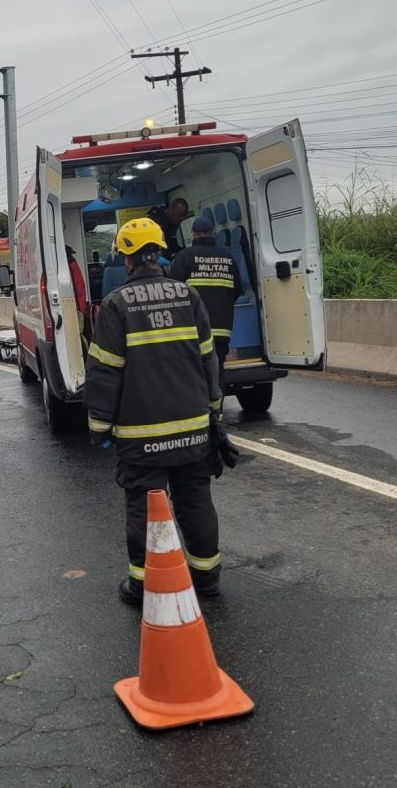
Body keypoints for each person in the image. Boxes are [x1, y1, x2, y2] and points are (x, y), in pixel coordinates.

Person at [83, 216, 228, 605]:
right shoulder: (189, 297)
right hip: (194, 428)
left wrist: (99, 427)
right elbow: (208, 360)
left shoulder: (115, 306)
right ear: (161, 253)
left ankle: (144, 584)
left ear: (125, 259)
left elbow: (104, 372)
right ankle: (207, 581)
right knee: (196, 500)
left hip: (140, 435)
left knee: (145, 506)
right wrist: (214, 410)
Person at [169, 215, 242, 378]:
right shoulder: (228, 259)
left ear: (194, 234)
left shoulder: (184, 257)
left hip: (193, 330)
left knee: (195, 372)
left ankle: (202, 403)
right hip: (221, 330)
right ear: (213, 233)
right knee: (217, 371)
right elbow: (237, 290)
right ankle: (217, 402)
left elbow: (172, 291)